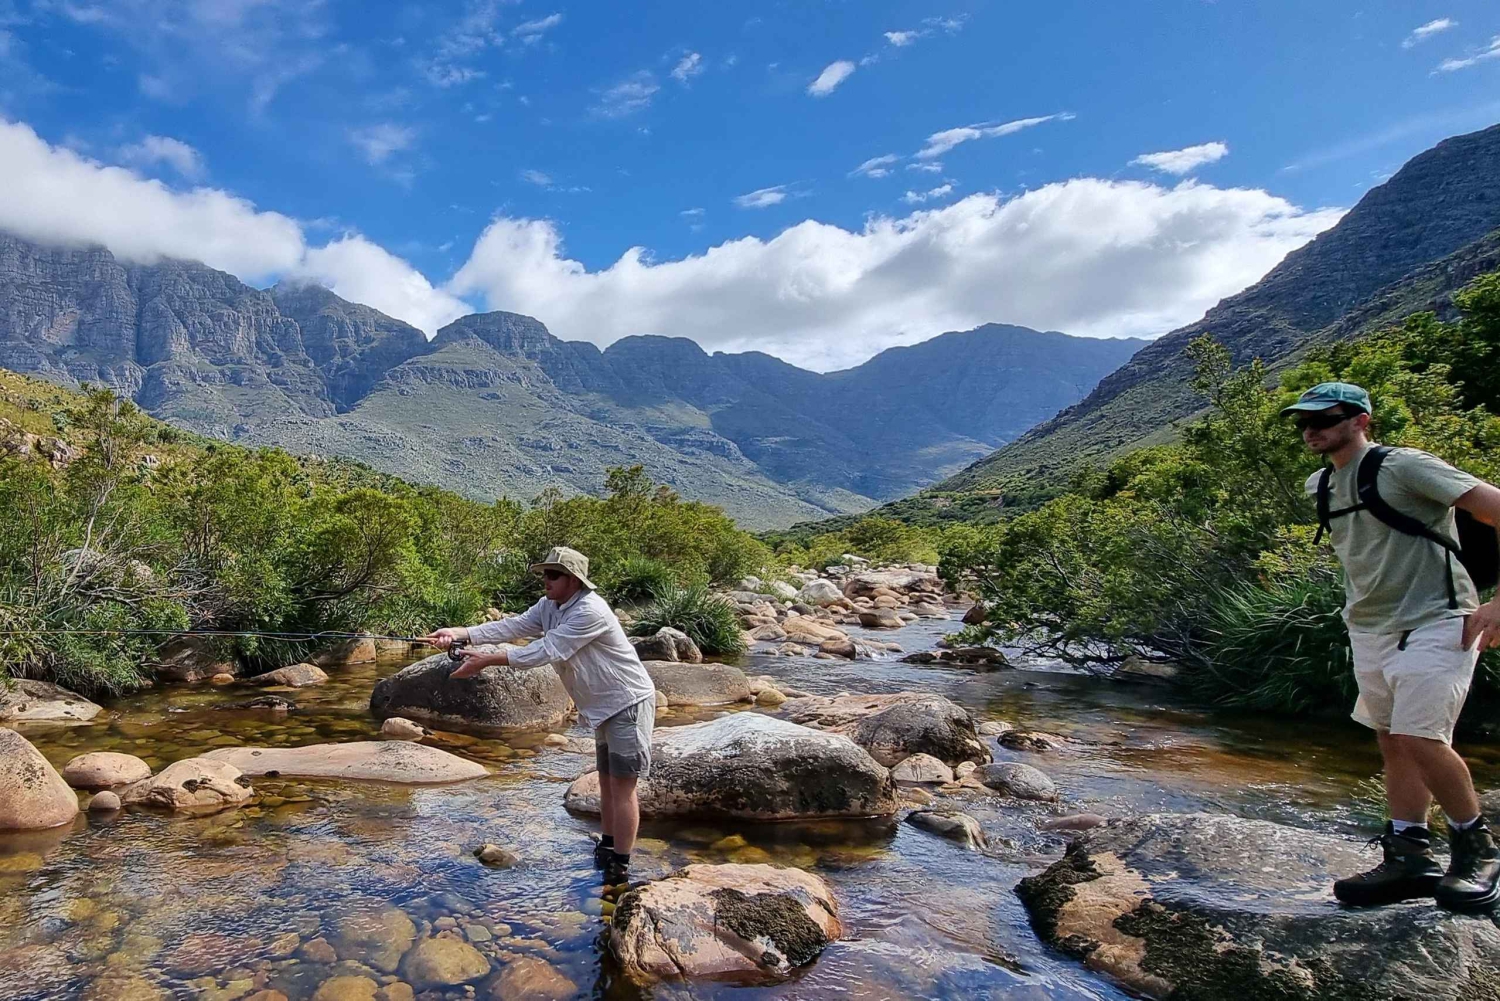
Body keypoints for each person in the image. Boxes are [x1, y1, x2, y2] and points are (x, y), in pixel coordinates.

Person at [1283, 381, 1500, 911]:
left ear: (1360, 420)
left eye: (1326, 418)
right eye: (1303, 422)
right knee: (1393, 740)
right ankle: (1409, 855)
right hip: (1369, 628)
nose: (1312, 429)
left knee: (1421, 736)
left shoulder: (1403, 466)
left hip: (1438, 619)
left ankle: (1479, 852)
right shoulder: (1320, 484)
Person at [422, 546, 657, 885]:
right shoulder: (550, 606)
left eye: (553, 575)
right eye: (544, 574)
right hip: (604, 706)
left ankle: (620, 866)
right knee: (606, 782)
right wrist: (461, 634)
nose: (545, 580)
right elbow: (513, 626)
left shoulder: (590, 611)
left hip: (627, 704)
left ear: (573, 580)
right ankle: (607, 847)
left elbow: (546, 650)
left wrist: (486, 660)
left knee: (622, 788)